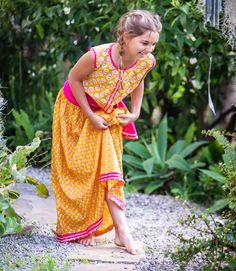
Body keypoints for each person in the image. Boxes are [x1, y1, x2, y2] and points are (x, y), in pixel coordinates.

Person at [51, 10, 162, 255]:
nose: (149, 49)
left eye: (153, 44)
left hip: (106, 114)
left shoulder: (146, 60)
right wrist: (90, 115)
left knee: (107, 169)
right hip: (75, 111)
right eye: (144, 43)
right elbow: (73, 79)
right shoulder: (97, 56)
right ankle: (85, 226)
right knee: (81, 171)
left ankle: (122, 232)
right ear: (126, 36)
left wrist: (135, 112)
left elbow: (138, 78)